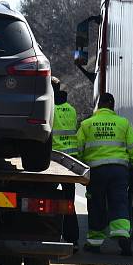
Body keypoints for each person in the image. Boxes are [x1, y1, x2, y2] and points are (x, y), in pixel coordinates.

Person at [76, 92, 133, 256]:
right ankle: (122, 235)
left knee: (96, 204)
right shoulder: (123, 123)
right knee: (119, 201)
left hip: (96, 171)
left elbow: (79, 149)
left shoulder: (87, 124)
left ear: (98, 106)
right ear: (112, 106)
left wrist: (82, 167)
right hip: (119, 170)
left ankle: (95, 243)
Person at [51, 77, 80, 250]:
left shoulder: (48, 109)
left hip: (52, 160)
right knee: (69, 203)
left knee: (47, 198)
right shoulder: (71, 109)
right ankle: (73, 239)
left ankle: (52, 234)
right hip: (70, 161)